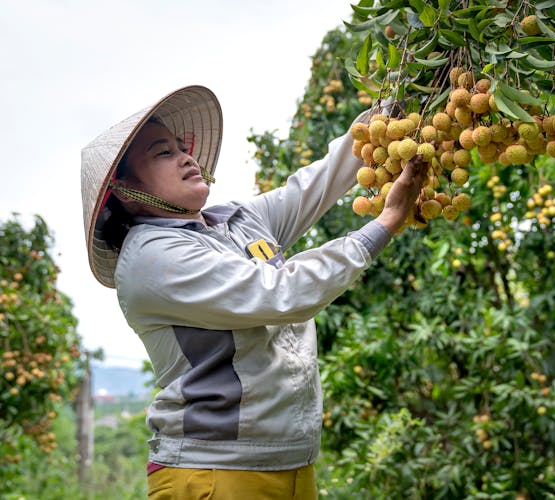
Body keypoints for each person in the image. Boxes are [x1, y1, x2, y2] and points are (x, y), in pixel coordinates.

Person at [80, 85, 427, 499]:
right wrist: (384, 223)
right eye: (163, 153)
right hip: (213, 471)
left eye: (180, 147)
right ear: (123, 188)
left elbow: (317, 182)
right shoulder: (153, 257)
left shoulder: (236, 223)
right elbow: (284, 294)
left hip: (290, 461)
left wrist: (400, 104)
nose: (186, 157)